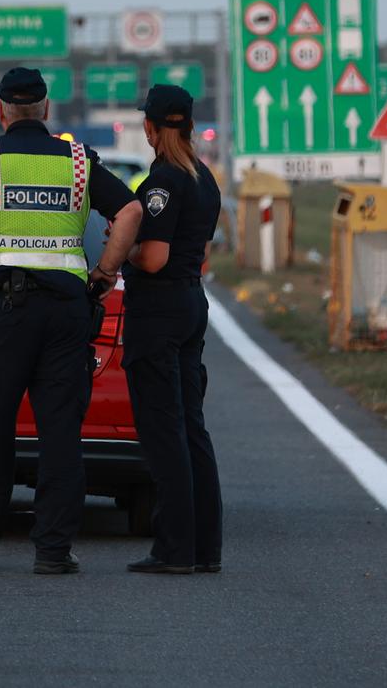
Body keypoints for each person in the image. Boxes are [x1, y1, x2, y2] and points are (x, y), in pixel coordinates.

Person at [0, 67, 142, 574]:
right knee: (61, 433)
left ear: (1, 111)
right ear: (46, 110)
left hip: (3, 312)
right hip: (67, 313)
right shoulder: (79, 161)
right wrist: (106, 272)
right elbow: (130, 210)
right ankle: (53, 551)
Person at [120, 84, 224, 575]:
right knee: (191, 428)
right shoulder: (205, 178)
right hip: (190, 303)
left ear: (153, 127)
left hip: (158, 310)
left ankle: (173, 549)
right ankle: (205, 548)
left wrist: (122, 251)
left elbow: (155, 258)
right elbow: (196, 253)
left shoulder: (162, 181)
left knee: (164, 432)